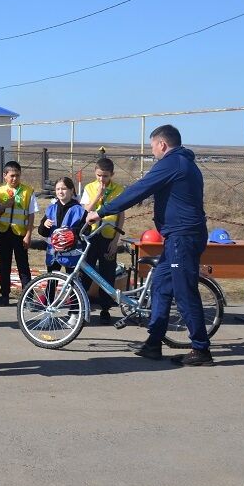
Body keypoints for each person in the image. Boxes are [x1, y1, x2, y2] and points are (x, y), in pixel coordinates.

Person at [86, 124, 213, 366]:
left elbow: (139, 190)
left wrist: (102, 212)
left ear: (162, 144)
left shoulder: (172, 163)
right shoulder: (183, 162)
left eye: (152, 146)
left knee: (184, 293)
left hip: (182, 237)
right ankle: (154, 343)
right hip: (177, 237)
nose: (152, 150)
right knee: (161, 288)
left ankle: (201, 349)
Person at [79, 158, 127, 324]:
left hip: (108, 237)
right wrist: (98, 194)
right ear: (95, 172)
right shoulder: (89, 188)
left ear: (111, 175)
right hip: (91, 237)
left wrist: (115, 241)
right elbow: (85, 211)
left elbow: (121, 215)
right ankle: (82, 306)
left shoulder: (119, 190)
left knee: (107, 273)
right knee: (86, 271)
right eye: (99, 175)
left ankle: (105, 308)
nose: (101, 179)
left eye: (105, 176)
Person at [0, 161, 38, 306]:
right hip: (3, 232)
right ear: (5, 176)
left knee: (23, 265)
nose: (14, 179)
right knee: (4, 265)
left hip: (20, 234)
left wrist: (28, 234)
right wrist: (5, 205)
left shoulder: (28, 191)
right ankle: (4, 295)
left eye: (17, 175)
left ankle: (28, 297)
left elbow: (31, 214)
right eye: (11, 176)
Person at [37, 176, 86, 273]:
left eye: (64, 189)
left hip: (72, 256)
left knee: (72, 284)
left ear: (71, 190)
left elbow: (86, 231)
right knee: (51, 283)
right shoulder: (51, 209)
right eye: (57, 189)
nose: (60, 192)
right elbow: (42, 232)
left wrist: (72, 233)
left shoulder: (79, 210)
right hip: (53, 256)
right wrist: (44, 224)